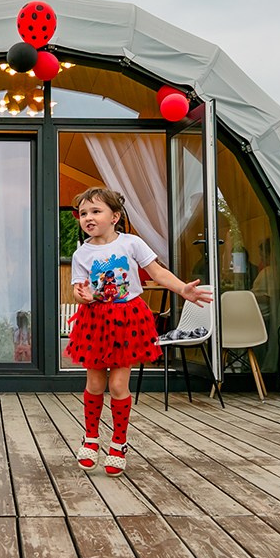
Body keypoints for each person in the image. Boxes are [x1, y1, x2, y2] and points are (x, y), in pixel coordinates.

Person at [65, 187, 213, 477]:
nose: (88, 218)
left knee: (119, 386)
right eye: (83, 214)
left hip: (126, 318)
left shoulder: (132, 244)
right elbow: (78, 289)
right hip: (95, 320)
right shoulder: (82, 252)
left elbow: (157, 273)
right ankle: (91, 437)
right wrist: (82, 295)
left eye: (95, 211)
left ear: (115, 216)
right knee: (95, 383)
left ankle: (118, 442)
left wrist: (182, 288)